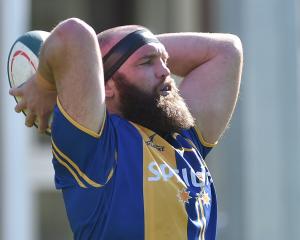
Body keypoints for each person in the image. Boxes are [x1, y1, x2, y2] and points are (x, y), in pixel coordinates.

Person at [9, 18, 243, 240]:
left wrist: (140, 44)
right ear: (106, 86)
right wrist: (44, 83)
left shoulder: (184, 137)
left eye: (165, 60)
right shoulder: (96, 148)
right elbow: (73, 34)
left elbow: (226, 51)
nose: (165, 71)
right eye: (147, 62)